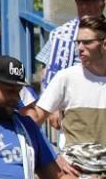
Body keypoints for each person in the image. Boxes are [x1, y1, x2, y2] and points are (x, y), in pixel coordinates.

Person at [33, 15, 106, 147]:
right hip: (75, 165)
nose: (80, 48)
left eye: (87, 42)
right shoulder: (66, 77)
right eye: (78, 42)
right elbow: (35, 119)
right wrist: (50, 157)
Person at [35, 0, 105, 88]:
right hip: (68, 94)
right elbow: (45, 68)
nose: (84, 6)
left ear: (102, 5)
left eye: (90, 1)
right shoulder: (60, 33)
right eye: (80, 2)